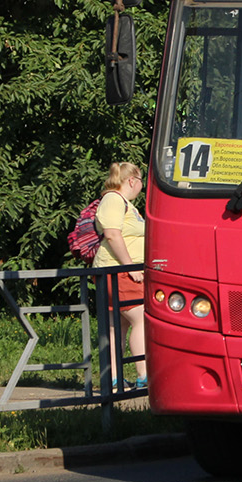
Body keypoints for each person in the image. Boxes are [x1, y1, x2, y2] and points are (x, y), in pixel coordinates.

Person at [94, 162, 147, 389]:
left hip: (120, 272)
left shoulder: (125, 204)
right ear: (132, 180)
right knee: (141, 318)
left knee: (120, 325)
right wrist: (130, 267)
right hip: (119, 272)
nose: (142, 187)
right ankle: (144, 374)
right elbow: (113, 235)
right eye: (141, 181)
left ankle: (114, 378)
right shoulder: (114, 200)